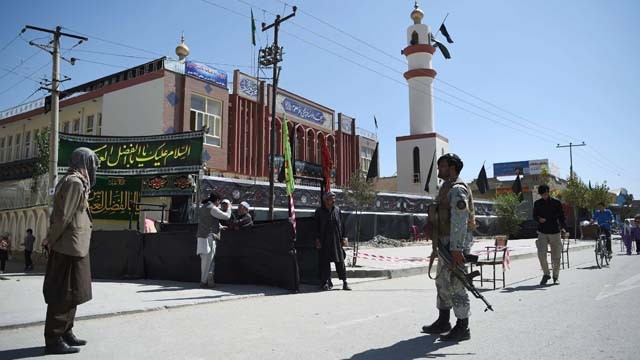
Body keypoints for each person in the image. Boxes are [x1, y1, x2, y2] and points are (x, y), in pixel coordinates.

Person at [42, 147, 100, 355]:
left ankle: (66, 331)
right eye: (92, 162)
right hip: (68, 247)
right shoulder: (74, 182)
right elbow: (63, 216)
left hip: (76, 247)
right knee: (63, 294)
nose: (94, 167)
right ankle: (54, 338)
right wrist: (50, 239)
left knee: (74, 292)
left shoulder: (77, 181)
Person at [422, 153, 474, 342]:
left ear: (452, 168)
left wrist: (456, 248)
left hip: (454, 244)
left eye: (442, 166)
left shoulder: (458, 189)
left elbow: (460, 220)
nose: (439, 170)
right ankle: (443, 321)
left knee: (457, 284)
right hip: (444, 243)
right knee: (442, 282)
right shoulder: (445, 187)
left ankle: (463, 326)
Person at [314, 191, 351, 291]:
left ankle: (345, 282)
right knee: (325, 263)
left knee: (340, 262)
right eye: (331, 198)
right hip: (324, 240)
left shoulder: (337, 210)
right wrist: (317, 240)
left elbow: (342, 225)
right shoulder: (319, 211)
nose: (334, 200)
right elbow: (316, 227)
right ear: (326, 200)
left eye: (334, 198)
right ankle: (325, 283)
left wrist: (344, 237)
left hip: (336, 240)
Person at [533, 184, 567, 286]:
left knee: (556, 256)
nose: (544, 196)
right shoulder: (537, 203)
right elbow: (534, 216)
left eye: (545, 194)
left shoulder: (556, 203)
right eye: (542, 194)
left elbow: (562, 216)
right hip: (542, 232)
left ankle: (555, 277)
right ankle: (546, 274)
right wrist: (539, 219)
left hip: (555, 232)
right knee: (541, 254)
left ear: (548, 192)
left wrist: (564, 227)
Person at [196, 192, 231, 288]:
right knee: (208, 261)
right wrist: (229, 208)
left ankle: (207, 281)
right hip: (208, 237)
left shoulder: (203, 207)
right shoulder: (212, 208)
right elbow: (226, 216)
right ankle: (203, 282)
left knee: (206, 261)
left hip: (202, 237)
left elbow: (208, 220)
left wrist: (219, 226)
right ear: (217, 200)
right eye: (219, 202)